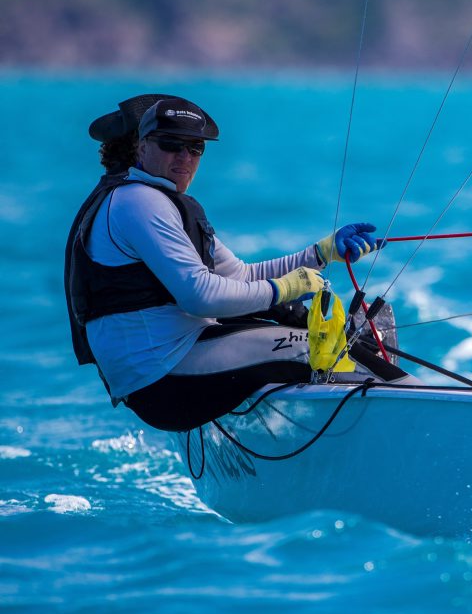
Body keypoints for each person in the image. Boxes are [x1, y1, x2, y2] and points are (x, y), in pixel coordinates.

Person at [64, 95, 400, 432]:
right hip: (165, 377)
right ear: (140, 146)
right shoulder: (139, 201)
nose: (184, 156)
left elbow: (241, 276)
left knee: (305, 332)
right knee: (333, 349)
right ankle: (413, 405)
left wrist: (321, 254)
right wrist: (285, 288)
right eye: (170, 143)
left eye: (195, 147)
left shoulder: (149, 198)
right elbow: (200, 296)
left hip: (167, 366)